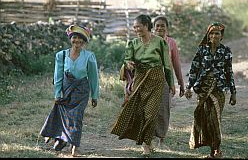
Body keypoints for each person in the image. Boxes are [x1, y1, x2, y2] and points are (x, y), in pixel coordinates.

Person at [111, 14, 175, 156]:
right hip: (140, 80)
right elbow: (127, 60)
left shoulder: (160, 42)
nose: (136, 29)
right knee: (140, 113)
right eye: (134, 27)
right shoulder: (132, 44)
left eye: (138, 26)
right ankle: (148, 141)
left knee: (151, 113)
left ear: (146, 26)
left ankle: (146, 144)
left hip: (157, 80)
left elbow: (167, 65)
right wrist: (128, 64)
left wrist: (171, 84)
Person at [40, 24, 100, 157]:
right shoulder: (61, 55)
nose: (77, 41)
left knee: (77, 118)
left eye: (80, 39)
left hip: (81, 91)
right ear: (70, 39)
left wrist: (95, 96)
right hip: (66, 90)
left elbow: (94, 77)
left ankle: (74, 147)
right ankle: (60, 138)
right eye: (74, 38)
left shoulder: (89, 57)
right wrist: (57, 93)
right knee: (63, 116)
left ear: (84, 42)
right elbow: (58, 76)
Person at [184, 22, 237, 158]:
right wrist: (188, 87)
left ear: (222, 36)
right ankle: (212, 151)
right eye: (211, 33)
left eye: (217, 33)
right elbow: (194, 70)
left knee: (215, 119)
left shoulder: (226, 51)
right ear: (208, 35)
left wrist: (233, 92)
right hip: (202, 89)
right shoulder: (202, 50)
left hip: (218, 90)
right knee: (205, 119)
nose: (214, 35)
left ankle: (216, 150)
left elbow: (229, 72)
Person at [152, 15, 185, 148]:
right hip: (150, 81)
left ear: (167, 29)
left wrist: (181, 83)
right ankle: (150, 138)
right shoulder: (148, 41)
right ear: (153, 29)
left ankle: (161, 139)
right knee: (150, 110)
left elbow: (176, 64)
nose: (160, 28)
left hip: (166, 81)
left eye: (162, 26)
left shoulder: (171, 43)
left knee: (164, 111)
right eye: (157, 26)